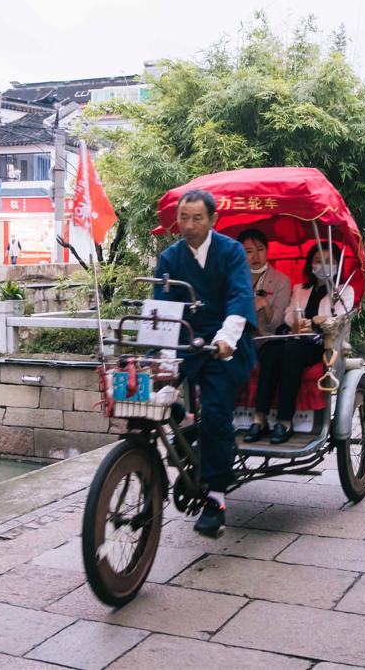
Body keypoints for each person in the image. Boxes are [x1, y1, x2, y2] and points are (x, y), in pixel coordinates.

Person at [154, 189, 257, 537]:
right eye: (184, 218)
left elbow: (240, 296)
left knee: (215, 412)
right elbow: (162, 307)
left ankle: (216, 496)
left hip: (225, 343)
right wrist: (162, 357)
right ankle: (184, 422)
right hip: (186, 340)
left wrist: (227, 337)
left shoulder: (230, 251)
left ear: (213, 220)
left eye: (198, 218)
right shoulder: (170, 258)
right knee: (150, 393)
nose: (189, 225)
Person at [248, 243, 354, 445]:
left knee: (291, 351)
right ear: (310, 265)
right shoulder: (300, 289)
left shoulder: (343, 291)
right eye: (317, 261)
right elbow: (289, 313)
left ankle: (285, 420)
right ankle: (259, 418)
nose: (322, 266)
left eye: (328, 261)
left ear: (336, 265)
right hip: (295, 336)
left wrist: (317, 321)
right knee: (270, 350)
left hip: (323, 343)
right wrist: (297, 323)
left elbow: (340, 318)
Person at [237, 229, 291, 337]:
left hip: (265, 341)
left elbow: (276, 325)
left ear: (267, 250)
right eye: (249, 251)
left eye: (260, 249)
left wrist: (265, 305)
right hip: (236, 340)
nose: (255, 256)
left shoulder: (281, 280)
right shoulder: (234, 278)